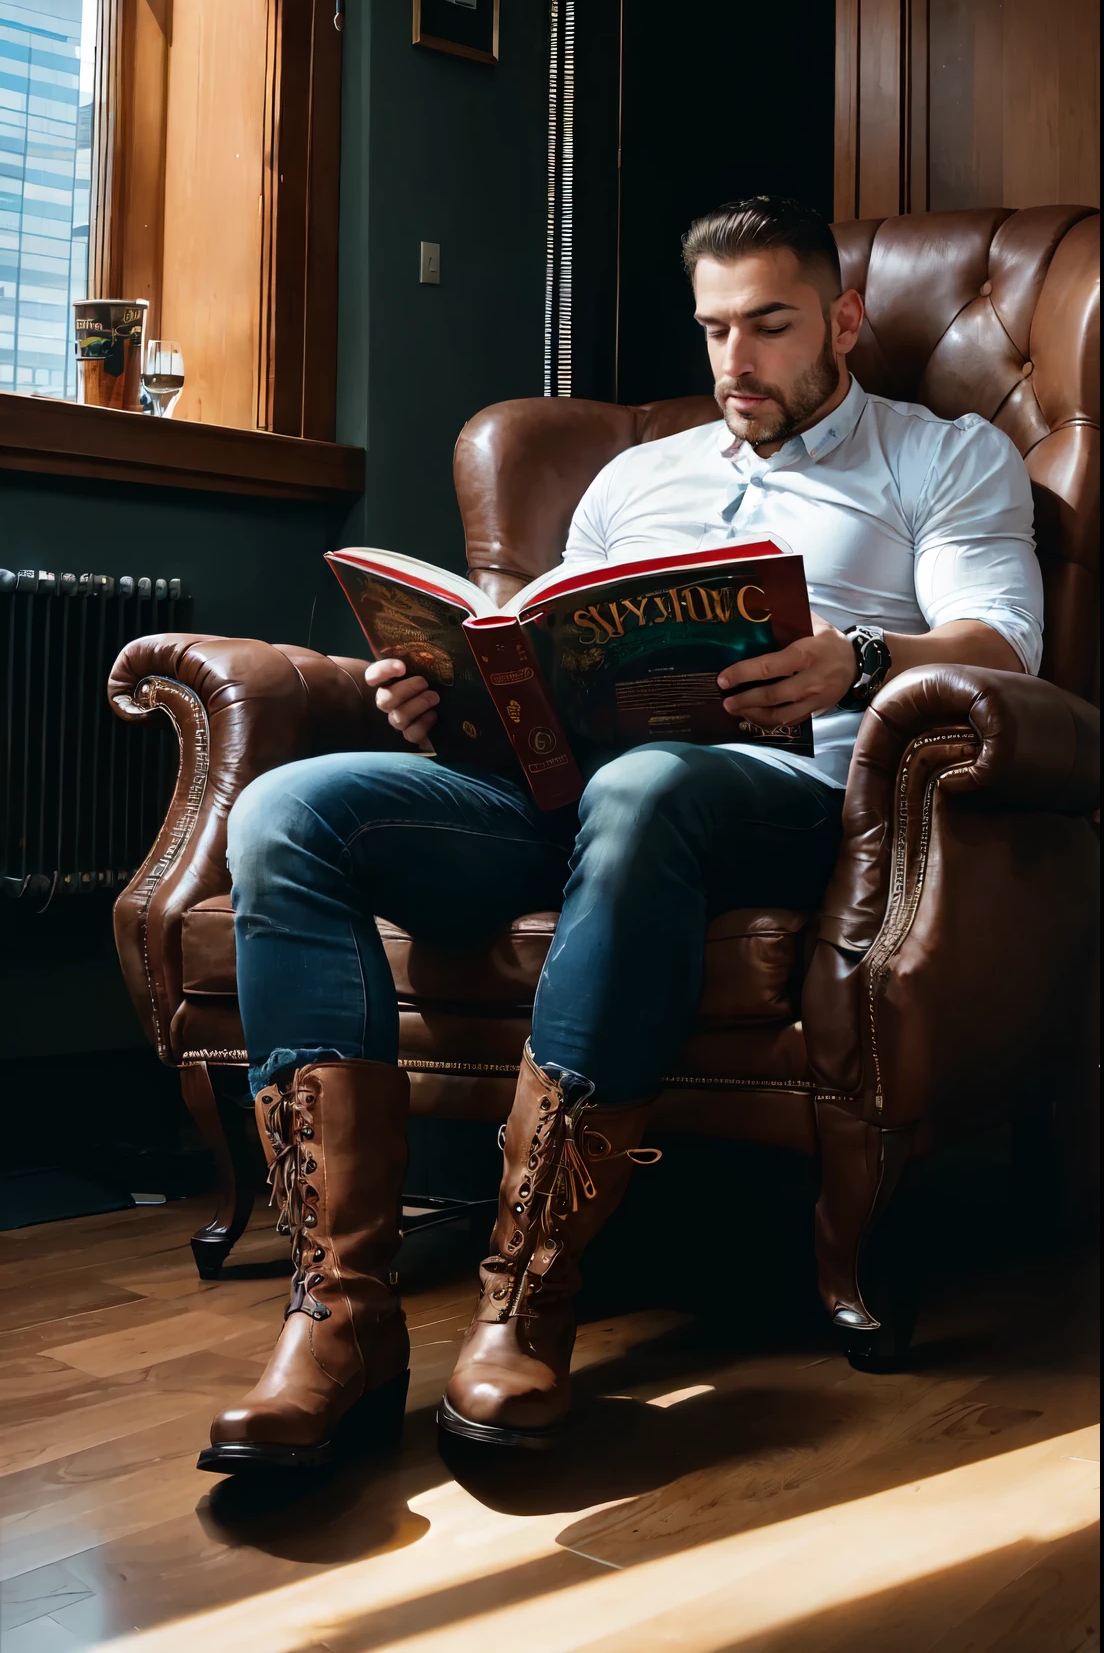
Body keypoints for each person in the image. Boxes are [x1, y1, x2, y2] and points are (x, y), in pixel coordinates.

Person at [198, 195, 1043, 1472]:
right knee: (287, 811)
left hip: (776, 794)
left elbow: (1002, 646)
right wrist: (447, 699)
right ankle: (341, 1314)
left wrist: (857, 660)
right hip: (556, 799)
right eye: (713, 329)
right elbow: (531, 656)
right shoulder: (638, 473)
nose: (735, 361)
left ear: (845, 321)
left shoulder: (945, 456)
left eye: (769, 324)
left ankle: (528, 1291)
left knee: (646, 787)